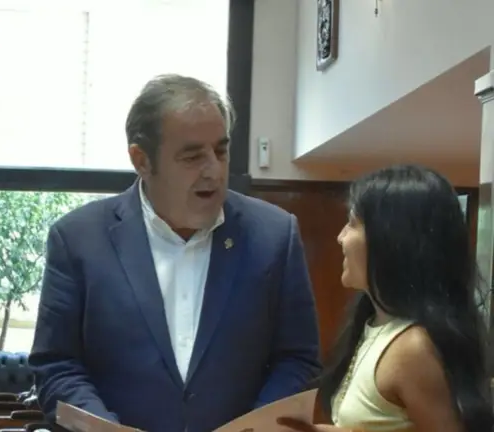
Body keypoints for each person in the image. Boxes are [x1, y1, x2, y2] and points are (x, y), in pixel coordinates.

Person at [29, 74, 322, 432]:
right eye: (192, 156)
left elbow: (298, 360)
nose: (214, 170)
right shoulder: (78, 239)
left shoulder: (274, 236)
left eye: (221, 151)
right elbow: (57, 366)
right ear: (141, 160)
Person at [278, 165, 494, 432]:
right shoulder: (373, 324)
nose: (341, 237)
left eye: (352, 223)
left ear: (391, 239)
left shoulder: (413, 348)